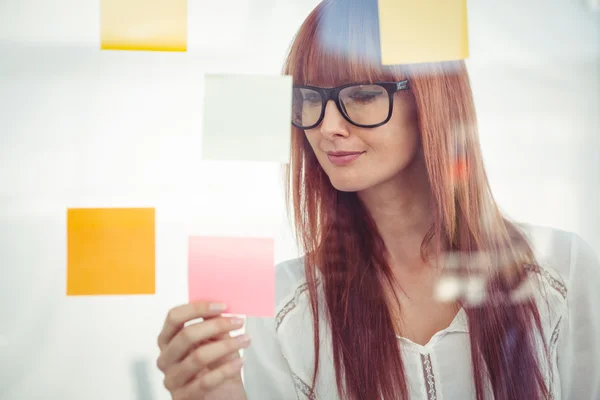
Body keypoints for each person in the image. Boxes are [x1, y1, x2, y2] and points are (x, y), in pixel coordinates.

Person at [155, 0, 600, 399]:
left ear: (432, 100)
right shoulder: (284, 306)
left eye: (363, 95)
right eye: (309, 99)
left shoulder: (560, 271)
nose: (327, 127)